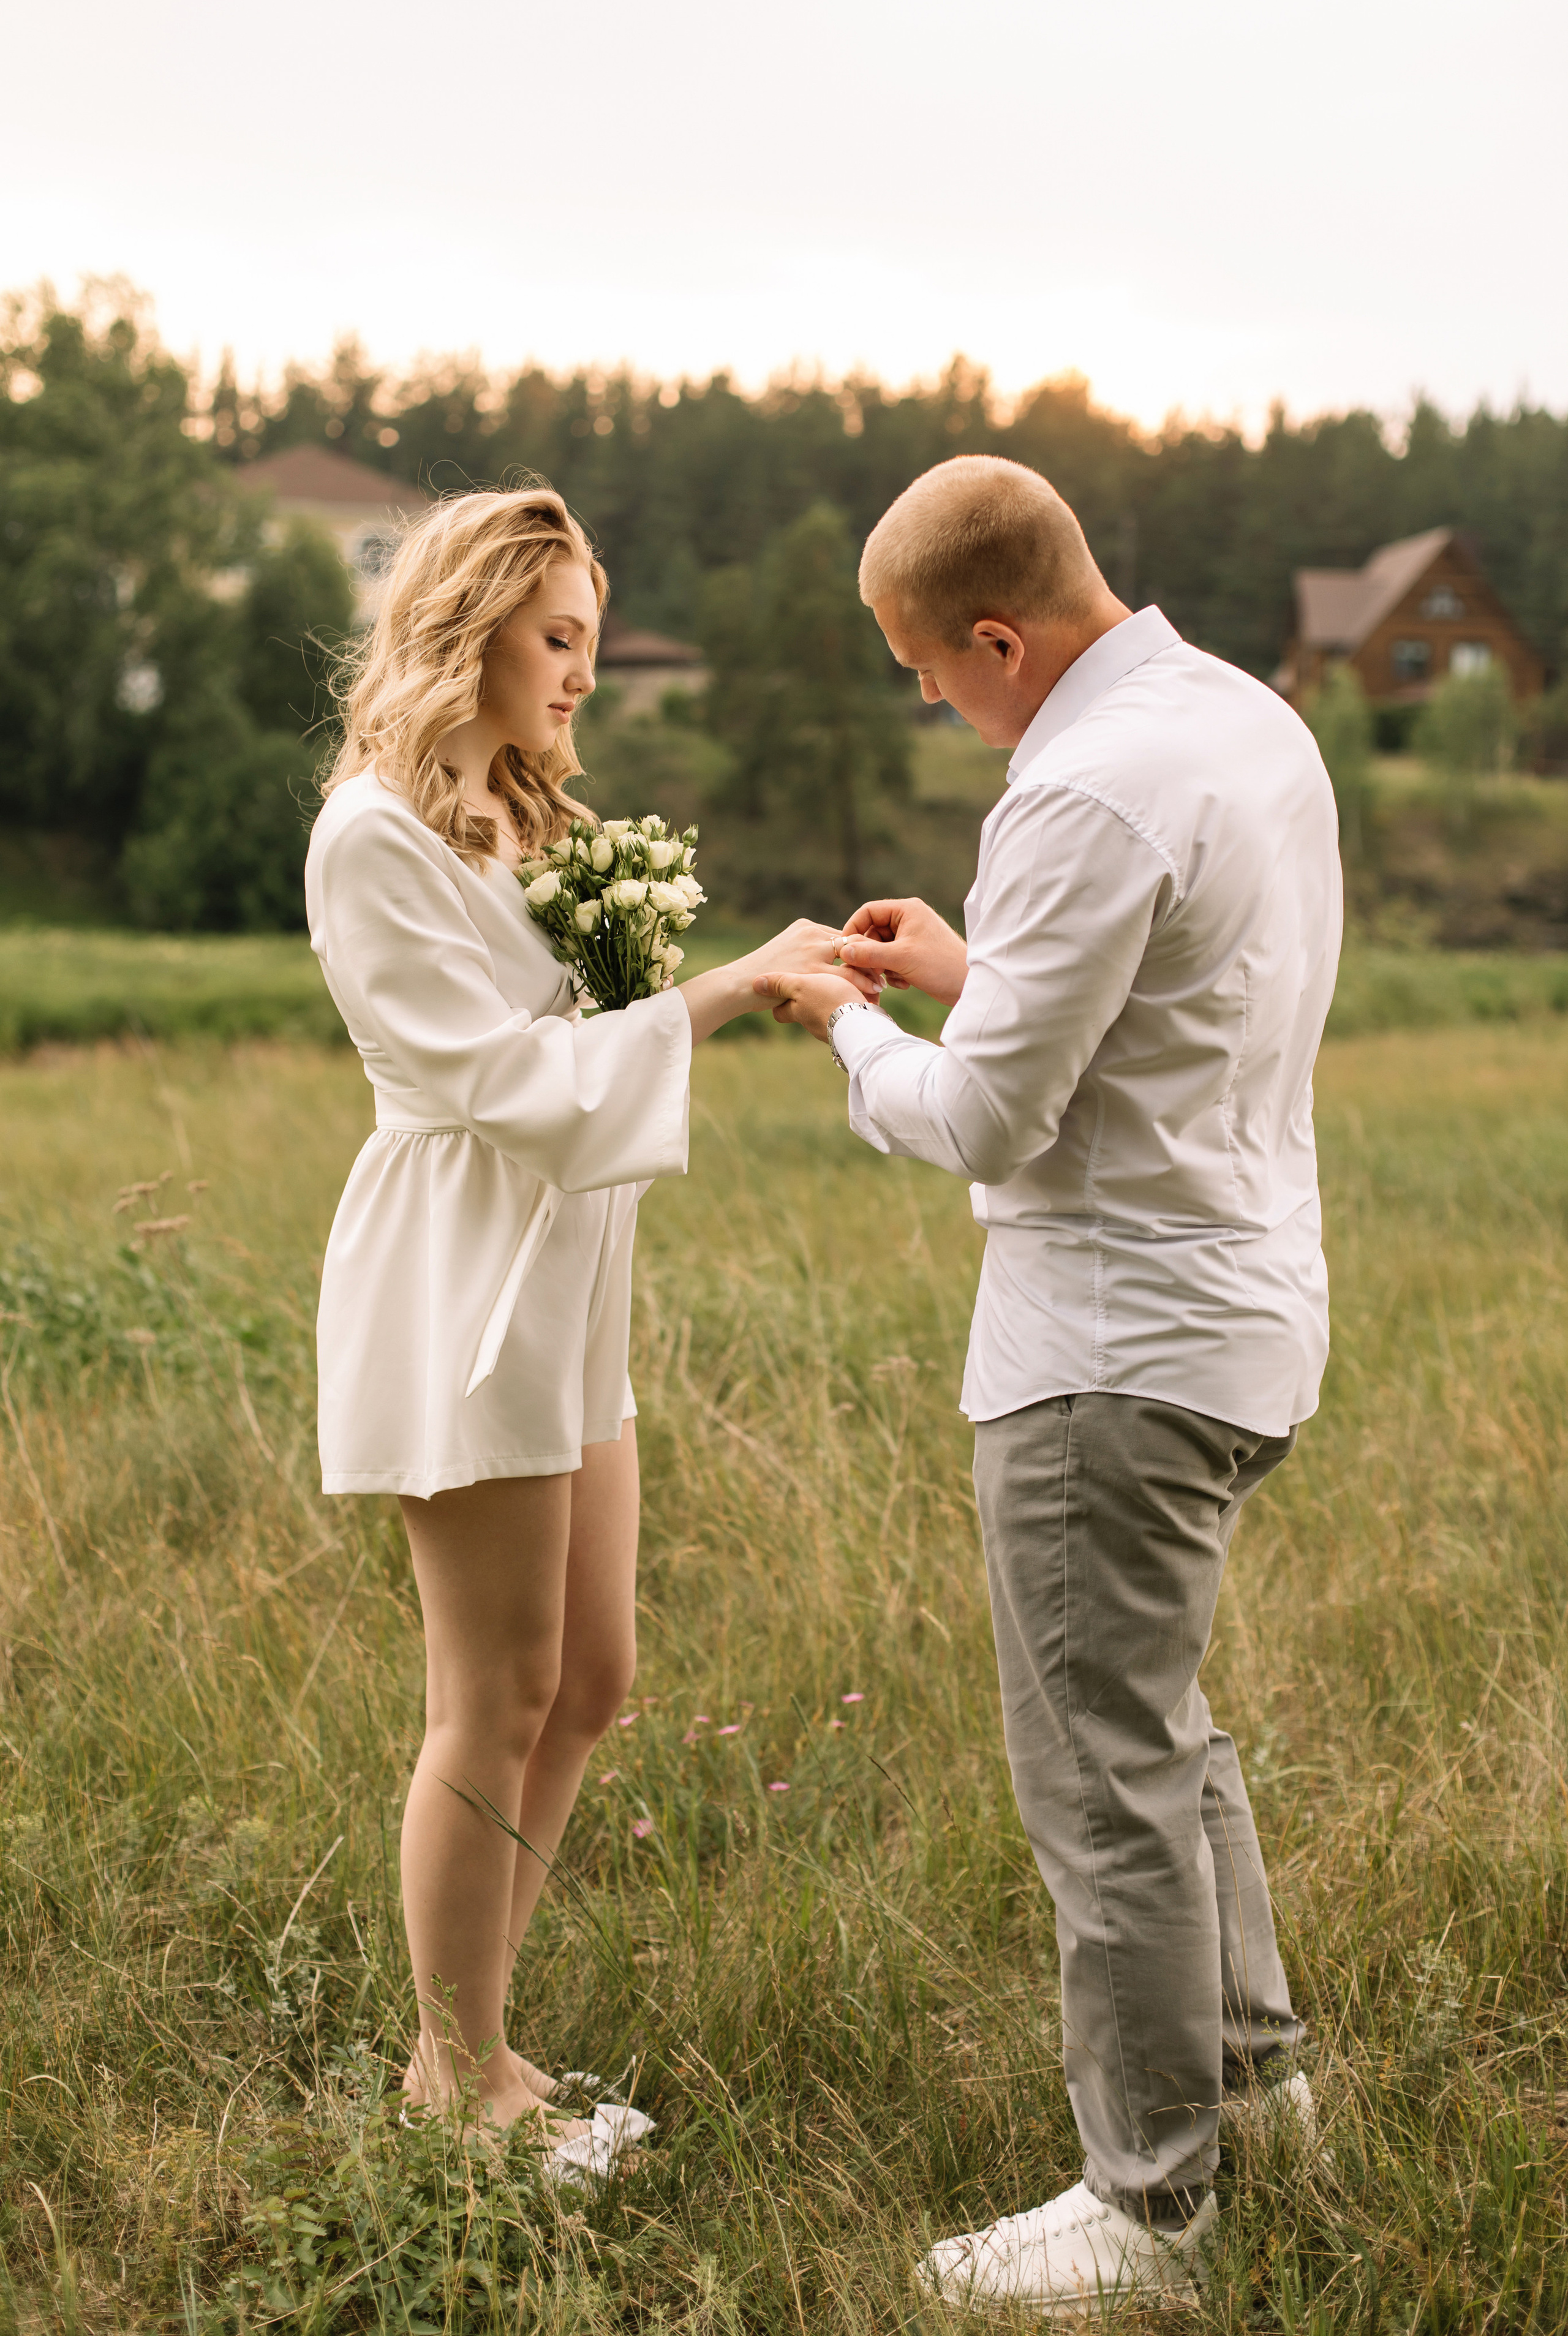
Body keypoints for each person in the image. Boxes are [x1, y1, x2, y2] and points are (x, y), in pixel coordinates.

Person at [759, 456, 1341, 2315]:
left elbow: (988, 1119)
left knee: (1100, 1782)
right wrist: (977, 967)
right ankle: (1264, 2095)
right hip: (1245, 1314)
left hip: (1108, 1352)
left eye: (932, 670)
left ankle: (1150, 2210)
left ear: (999, 639)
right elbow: (1162, 1002)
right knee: (1162, 1732)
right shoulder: (1244, 722)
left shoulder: (1076, 787)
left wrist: (854, 1028)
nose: (935, 701)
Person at [306, 484, 858, 2166]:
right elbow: (503, 1083)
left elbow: (582, 1056)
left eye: (591, 643)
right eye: (559, 638)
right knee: (496, 1690)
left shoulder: (524, 819)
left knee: (594, 1678)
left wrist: (717, 986)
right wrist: (728, 986)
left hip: (568, 1277)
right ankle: (459, 2081)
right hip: (462, 1273)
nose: (583, 675)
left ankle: (475, 2038)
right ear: (472, 626)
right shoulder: (376, 836)